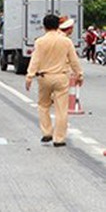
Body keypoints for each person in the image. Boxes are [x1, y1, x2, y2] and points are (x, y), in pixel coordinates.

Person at [26, 14, 84, 147]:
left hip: (44, 77)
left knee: (43, 105)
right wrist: (79, 75)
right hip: (61, 77)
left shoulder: (40, 41)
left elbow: (35, 60)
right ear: (58, 26)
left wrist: (29, 76)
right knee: (61, 109)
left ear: (44, 26)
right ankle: (59, 139)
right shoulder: (66, 41)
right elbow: (74, 61)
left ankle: (47, 132)